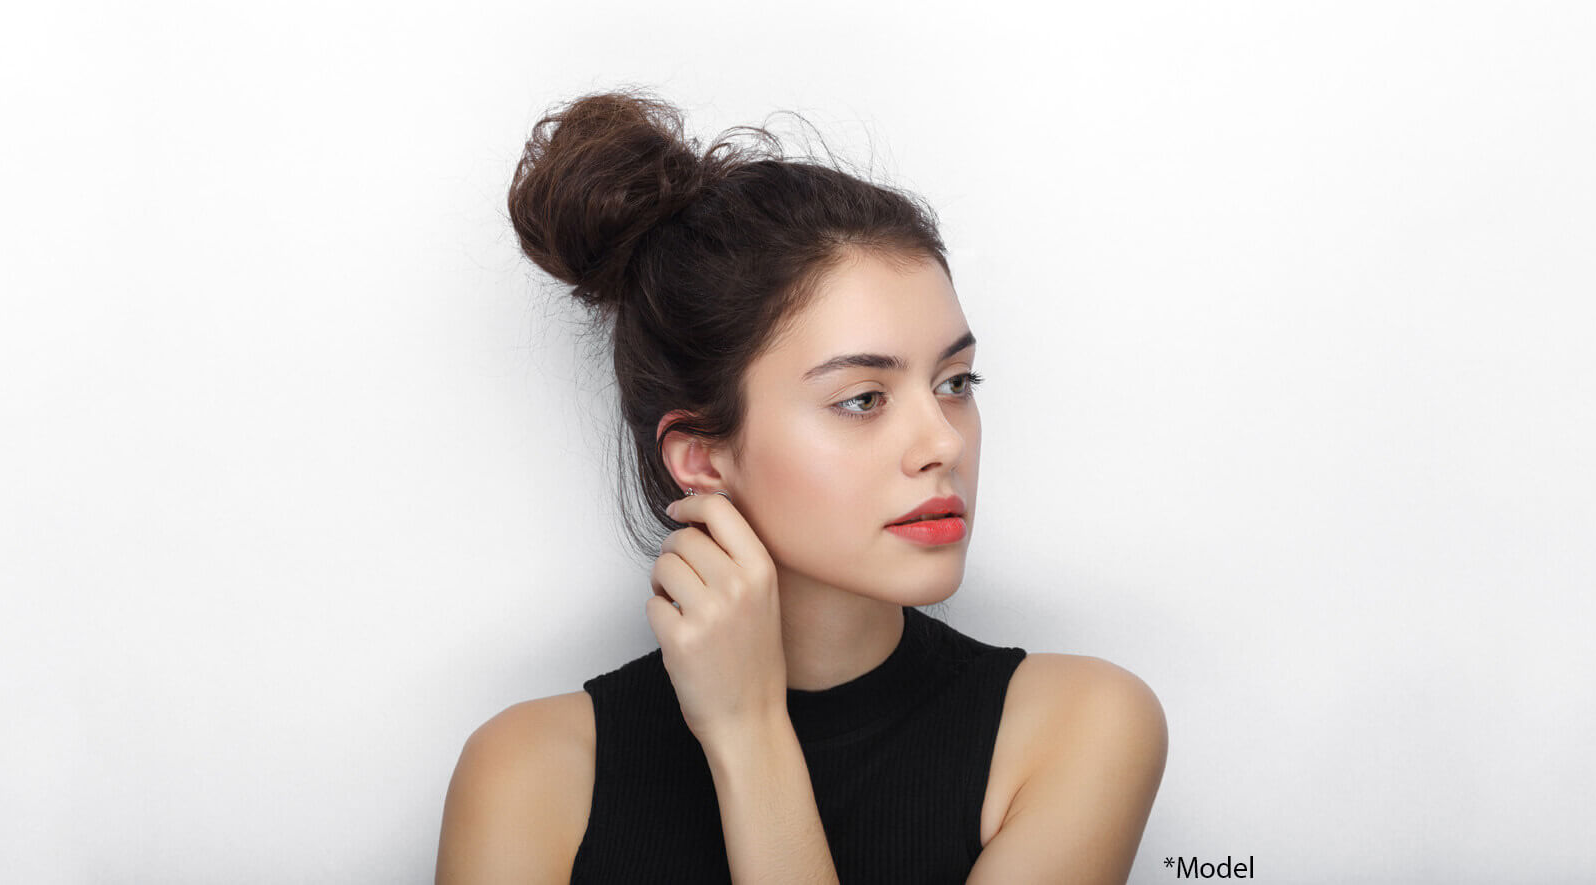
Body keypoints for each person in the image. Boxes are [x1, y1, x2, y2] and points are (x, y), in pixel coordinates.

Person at [436, 87, 1167, 884]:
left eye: (956, 381)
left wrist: (751, 737)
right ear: (701, 457)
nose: (941, 441)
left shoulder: (1082, 728)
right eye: (862, 398)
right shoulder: (527, 777)